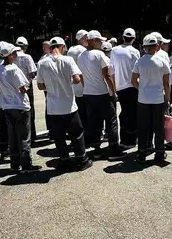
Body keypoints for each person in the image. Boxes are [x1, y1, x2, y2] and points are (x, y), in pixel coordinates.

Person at [37, 37, 93, 171]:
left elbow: (40, 85)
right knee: (77, 133)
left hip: (53, 106)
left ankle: (64, 160)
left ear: (50, 48)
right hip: (68, 105)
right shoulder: (68, 60)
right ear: (62, 47)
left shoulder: (42, 63)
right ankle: (81, 159)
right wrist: (67, 82)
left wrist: (51, 86)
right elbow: (77, 79)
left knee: (59, 136)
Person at [77, 30, 126, 160]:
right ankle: (114, 147)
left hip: (88, 93)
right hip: (101, 93)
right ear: (92, 41)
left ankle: (97, 149)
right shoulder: (99, 54)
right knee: (111, 120)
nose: (100, 43)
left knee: (94, 122)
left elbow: (81, 76)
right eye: (99, 41)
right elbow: (107, 75)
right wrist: (114, 91)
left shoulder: (81, 56)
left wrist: (86, 87)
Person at [0, 41, 40, 173]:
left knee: (12, 135)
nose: (15, 55)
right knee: (24, 136)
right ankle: (26, 164)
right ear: (9, 55)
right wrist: (26, 86)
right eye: (13, 53)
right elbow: (22, 89)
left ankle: (14, 163)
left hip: (7, 105)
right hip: (20, 105)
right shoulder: (14, 69)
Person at [132, 34, 171, 163]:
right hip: (158, 99)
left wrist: (141, 88)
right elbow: (167, 83)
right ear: (157, 46)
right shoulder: (162, 61)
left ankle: (142, 153)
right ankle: (159, 153)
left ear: (144, 47)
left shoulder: (139, 61)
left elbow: (133, 81)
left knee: (143, 127)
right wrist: (167, 99)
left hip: (143, 99)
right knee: (158, 127)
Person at [110, 28, 140, 148]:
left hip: (119, 87)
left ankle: (124, 138)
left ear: (122, 37)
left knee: (124, 112)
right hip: (132, 86)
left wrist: (114, 86)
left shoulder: (114, 50)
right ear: (133, 39)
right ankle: (130, 139)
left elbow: (111, 70)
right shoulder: (135, 51)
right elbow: (138, 70)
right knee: (132, 114)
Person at [15, 36, 38, 143]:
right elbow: (33, 73)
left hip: (14, 88)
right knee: (29, 111)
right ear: (26, 46)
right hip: (27, 87)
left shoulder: (12, 56)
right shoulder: (27, 57)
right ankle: (32, 136)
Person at [67, 30, 89, 130]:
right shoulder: (82, 50)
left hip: (73, 85)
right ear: (82, 39)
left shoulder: (70, 50)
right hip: (83, 84)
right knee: (85, 113)